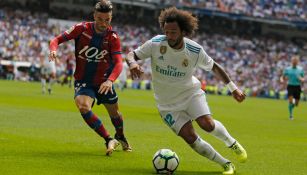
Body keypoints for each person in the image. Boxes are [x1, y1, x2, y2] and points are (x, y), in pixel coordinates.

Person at [126, 7, 247, 175]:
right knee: (190, 137)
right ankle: (226, 164)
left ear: (183, 31)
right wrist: (132, 63)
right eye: (166, 31)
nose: (169, 36)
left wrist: (233, 89)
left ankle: (231, 142)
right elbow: (131, 54)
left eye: (173, 32)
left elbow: (215, 67)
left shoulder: (194, 50)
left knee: (207, 124)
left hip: (190, 94)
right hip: (167, 105)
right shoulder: (155, 43)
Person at [49, 0, 131, 156]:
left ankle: (120, 135)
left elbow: (119, 63)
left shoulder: (113, 37)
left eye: (107, 20)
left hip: (104, 82)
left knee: (116, 114)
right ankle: (108, 139)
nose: (103, 23)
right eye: (100, 19)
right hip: (84, 82)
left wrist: (110, 80)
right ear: (94, 16)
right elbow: (56, 40)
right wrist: (53, 50)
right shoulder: (82, 29)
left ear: (111, 18)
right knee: (83, 106)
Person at [280, 56, 305, 120]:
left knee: (296, 104)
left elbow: (303, 78)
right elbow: (282, 77)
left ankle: (293, 104)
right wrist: (282, 80)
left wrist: (301, 79)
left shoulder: (300, 69)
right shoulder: (288, 69)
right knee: (290, 101)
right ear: (291, 61)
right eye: (293, 60)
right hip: (290, 86)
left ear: (297, 62)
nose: (294, 62)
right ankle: (291, 115)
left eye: (296, 61)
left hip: (297, 86)